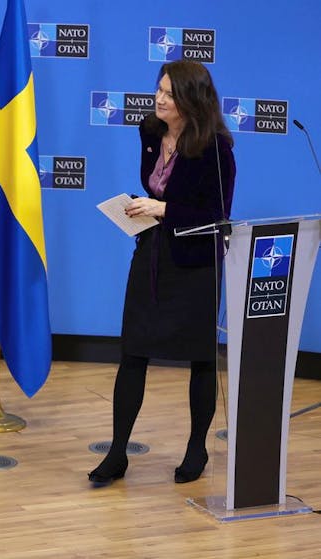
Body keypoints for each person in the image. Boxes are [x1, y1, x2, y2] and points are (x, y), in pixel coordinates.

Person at [89, 61, 236, 486]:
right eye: (159, 89)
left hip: (195, 263)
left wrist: (163, 209)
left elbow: (216, 215)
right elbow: (157, 188)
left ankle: (197, 448)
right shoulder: (150, 131)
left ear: (191, 99)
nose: (159, 98)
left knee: (201, 356)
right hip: (152, 254)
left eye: (169, 93)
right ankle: (117, 453)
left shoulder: (216, 148)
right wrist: (142, 204)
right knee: (133, 352)